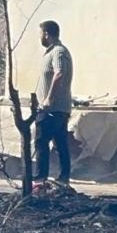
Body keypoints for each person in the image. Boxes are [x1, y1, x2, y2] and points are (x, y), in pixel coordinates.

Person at [35, 20, 74, 186]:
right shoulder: (52, 52)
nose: (39, 38)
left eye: (40, 34)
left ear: (46, 34)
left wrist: (49, 98)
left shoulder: (58, 52)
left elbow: (59, 73)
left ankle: (40, 178)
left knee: (41, 141)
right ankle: (63, 177)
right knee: (60, 143)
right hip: (56, 107)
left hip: (53, 107)